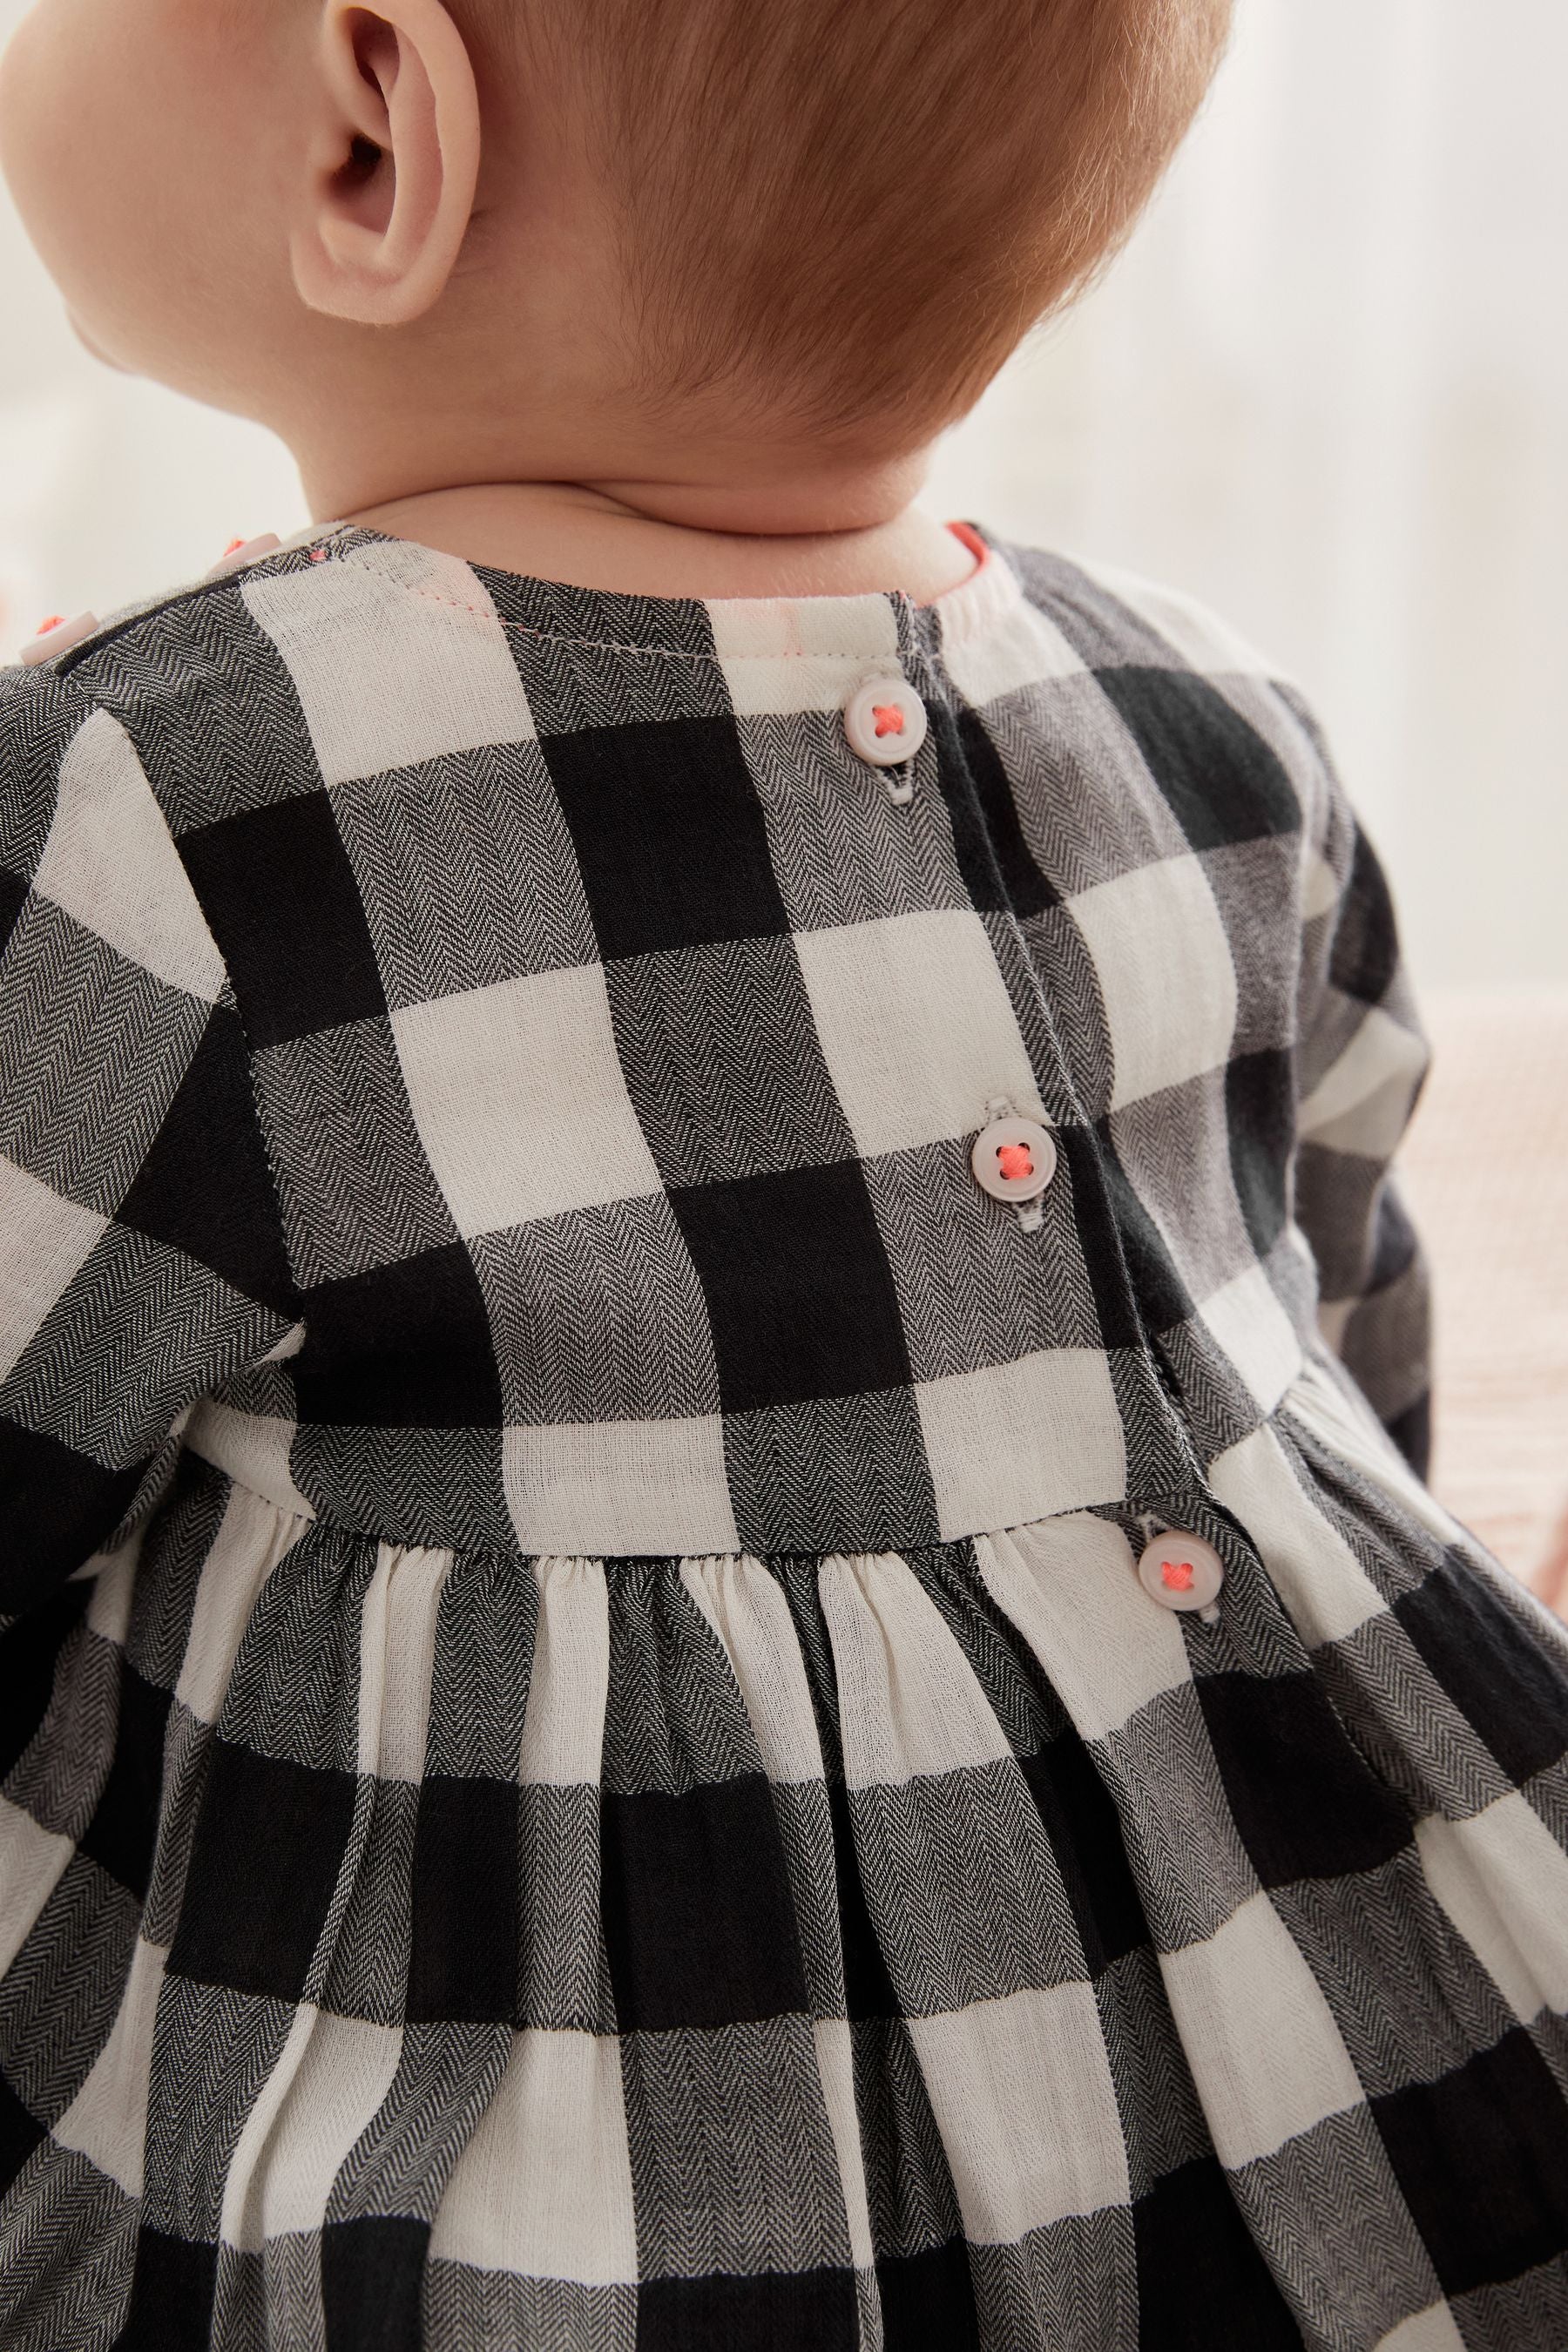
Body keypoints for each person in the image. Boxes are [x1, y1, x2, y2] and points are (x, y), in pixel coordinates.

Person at [2, 0, 1566, 2343]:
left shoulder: (157, 811)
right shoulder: (1225, 730)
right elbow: (1359, 1358)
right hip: (1396, 2109)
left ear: (368, 132)